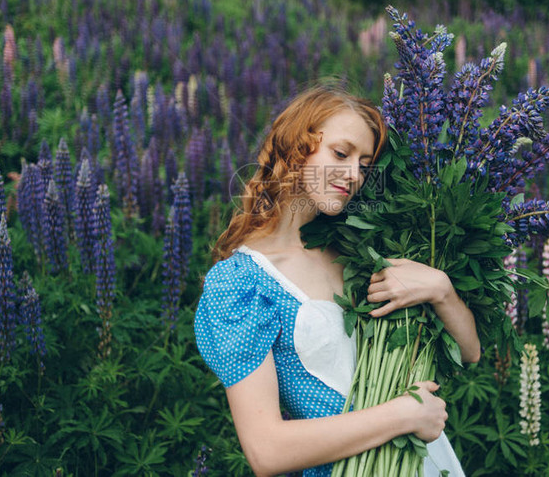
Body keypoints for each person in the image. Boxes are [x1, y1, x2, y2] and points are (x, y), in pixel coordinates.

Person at [194, 84, 480, 477]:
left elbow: (469, 352)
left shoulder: (360, 252)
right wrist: (402, 415)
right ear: (297, 147)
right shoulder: (241, 284)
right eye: (341, 154)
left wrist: (442, 289)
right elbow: (266, 451)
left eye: (364, 165)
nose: (353, 175)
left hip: (424, 464)